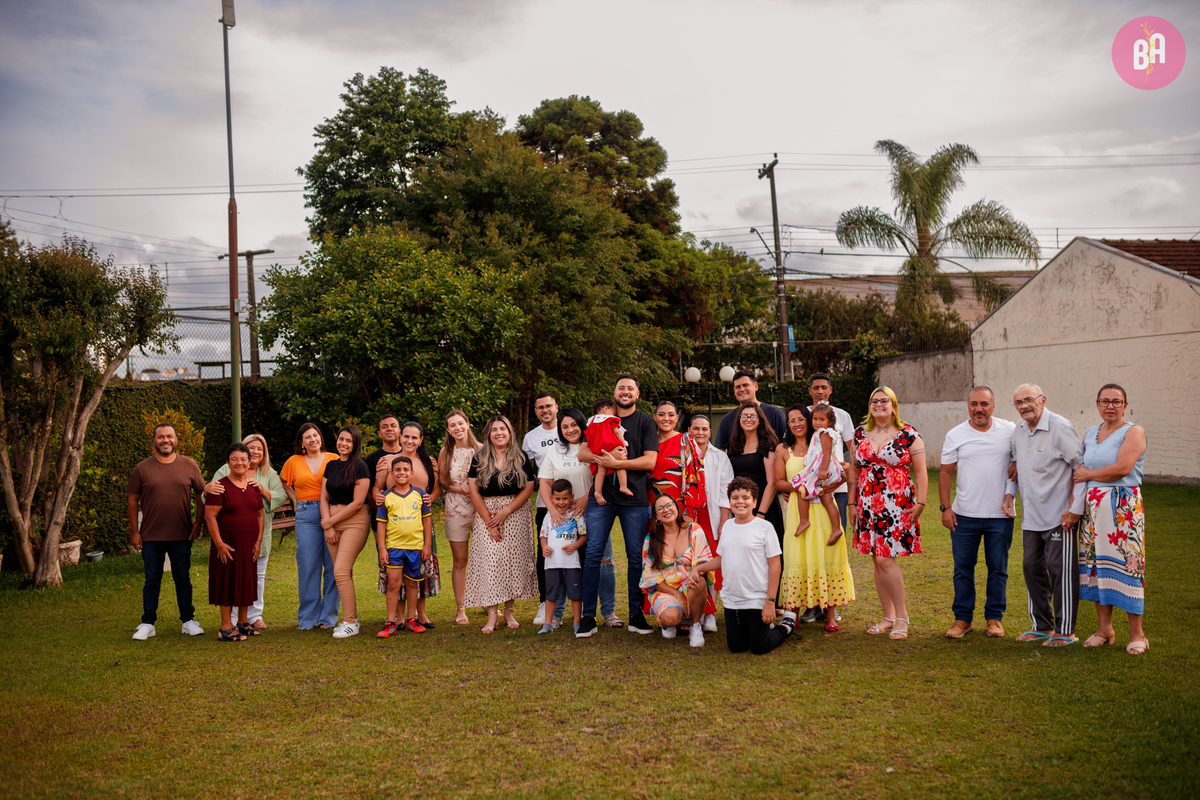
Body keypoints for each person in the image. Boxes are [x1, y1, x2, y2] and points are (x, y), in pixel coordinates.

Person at [576, 373, 659, 638]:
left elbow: (649, 462)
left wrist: (617, 464)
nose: (625, 392)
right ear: (614, 392)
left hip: (634, 500)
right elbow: (582, 452)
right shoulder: (600, 419)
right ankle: (588, 617)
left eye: (630, 388)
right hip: (601, 499)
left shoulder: (645, 421)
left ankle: (636, 615)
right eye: (621, 388)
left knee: (635, 556)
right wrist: (606, 459)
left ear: (637, 394)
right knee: (593, 555)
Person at [1004, 384, 1086, 648]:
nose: (1024, 405)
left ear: (1043, 400)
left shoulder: (1060, 428)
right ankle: (1042, 626)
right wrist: (1009, 494)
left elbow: (1081, 468)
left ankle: (1066, 631)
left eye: (1029, 399)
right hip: (1031, 518)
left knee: (1060, 571)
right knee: (1031, 568)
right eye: (1018, 402)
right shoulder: (1018, 430)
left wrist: (1075, 508)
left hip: (1059, 516)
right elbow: (1016, 467)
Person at [1074, 383, 1149, 655]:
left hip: (1122, 508)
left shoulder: (1134, 431)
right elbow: (1076, 465)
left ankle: (1137, 634)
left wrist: (1087, 475)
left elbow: (1123, 468)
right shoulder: (1090, 433)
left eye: (1116, 401)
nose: (1110, 406)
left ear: (1125, 405)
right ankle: (1104, 629)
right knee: (1096, 567)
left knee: (1128, 566)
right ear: (1097, 404)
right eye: (1105, 401)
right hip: (1093, 509)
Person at [848, 387, 927, 641]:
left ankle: (902, 616)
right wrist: (851, 504)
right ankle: (888, 616)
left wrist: (922, 502)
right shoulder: (859, 433)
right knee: (876, 559)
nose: (878, 404)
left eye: (884, 401)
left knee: (885, 560)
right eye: (874, 401)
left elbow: (922, 472)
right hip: (867, 502)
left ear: (893, 404)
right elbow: (854, 470)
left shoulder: (909, 433)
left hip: (896, 504)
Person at [938, 387, 1017, 639]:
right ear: (968, 406)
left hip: (1000, 516)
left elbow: (1019, 464)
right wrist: (946, 507)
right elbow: (946, 472)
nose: (978, 408)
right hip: (964, 515)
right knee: (963, 569)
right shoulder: (955, 434)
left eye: (984, 403)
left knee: (998, 569)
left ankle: (994, 619)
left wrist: (1011, 491)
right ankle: (962, 620)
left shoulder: (1010, 431)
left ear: (993, 405)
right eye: (973, 404)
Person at [689, 477, 797, 654]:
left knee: (759, 647)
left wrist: (770, 601)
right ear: (729, 501)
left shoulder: (765, 528)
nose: (740, 502)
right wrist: (698, 568)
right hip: (733, 599)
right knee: (736, 647)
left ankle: (785, 627)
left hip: (757, 599)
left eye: (745, 498)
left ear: (754, 502)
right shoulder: (728, 526)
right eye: (735, 497)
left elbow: (775, 566)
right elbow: (721, 558)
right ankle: (757, 629)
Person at [538, 408, 619, 629]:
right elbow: (544, 482)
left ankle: (609, 613)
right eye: (564, 426)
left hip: (595, 511)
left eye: (574, 424)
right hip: (563, 518)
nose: (570, 429)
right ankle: (557, 616)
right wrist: (552, 511)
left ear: (582, 425)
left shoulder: (594, 444)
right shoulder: (554, 451)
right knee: (561, 563)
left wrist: (587, 497)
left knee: (603, 561)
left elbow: (605, 472)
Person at [776, 404, 855, 632]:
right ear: (788, 425)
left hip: (822, 509)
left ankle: (830, 615)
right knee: (796, 558)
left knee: (826, 557)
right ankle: (795, 614)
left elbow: (841, 474)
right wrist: (800, 487)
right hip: (798, 513)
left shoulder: (821, 442)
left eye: (801, 419)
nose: (797, 423)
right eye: (792, 420)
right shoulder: (783, 449)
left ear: (808, 420)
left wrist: (820, 490)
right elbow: (778, 481)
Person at [127, 422, 207, 641]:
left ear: (176, 438)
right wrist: (135, 531)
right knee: (152, 580)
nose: (165, 440)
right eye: (161, 437)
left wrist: (198, 522)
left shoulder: (190, 465)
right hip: (151, 536)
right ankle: (147, 623)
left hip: (182, 534)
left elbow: (202, 495)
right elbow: (132, 500)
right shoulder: (142, 468)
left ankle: (188, 621)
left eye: (169, 436)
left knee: (183, 578)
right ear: (154, 440)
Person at [464, 415, 539, 633]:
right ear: (488, 434)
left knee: (513, 562)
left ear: (510, 432)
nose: (499, 433)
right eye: (495, 429)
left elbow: (528, 486)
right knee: (491, 562)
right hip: (486, 513)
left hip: (515, 513)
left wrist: (506, 512)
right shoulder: (479, 458)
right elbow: (473, 490)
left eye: (503, 429)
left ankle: (508, 611)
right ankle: (491, 616)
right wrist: (490, 521)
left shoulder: (520, 455)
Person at [647, 400, 717, 632]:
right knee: (659, 555)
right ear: (654, 417)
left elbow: (696, 476)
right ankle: (667, 608)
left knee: (686, 556)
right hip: (651, 505)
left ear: (677, 418)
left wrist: (687, 511)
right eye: (661, 414)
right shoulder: (647, 440)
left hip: (678, 507)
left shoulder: (685, 441)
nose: (666, 418)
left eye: (671, 414)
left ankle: (692, 613)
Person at [204, 433, 284, 631]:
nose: (255, 451)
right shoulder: (225, 473)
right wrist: (205, 488)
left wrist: (262, 489)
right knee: (229, 577)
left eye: (260, 448)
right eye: (252, 447)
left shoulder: (267, 475)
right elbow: (211, 504)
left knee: (252, 577)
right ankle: (228, 622)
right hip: (228, 537)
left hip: (255, 536)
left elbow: (275, 501)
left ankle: (250, 618)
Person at [373, 422, 441, 628]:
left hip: (420, 524)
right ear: (401, 437)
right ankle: (398, 616)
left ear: (421, 440)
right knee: (396, 574)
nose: (410, 441)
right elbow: (376, 489)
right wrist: (378, 498)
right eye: (407, 437)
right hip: (394, 525)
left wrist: (430, 499)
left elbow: (436, 489)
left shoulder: (428, 462)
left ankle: (420, 613)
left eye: (415, 438)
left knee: (419, 570)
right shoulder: (387, 461)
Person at [280, 423, 339, 630]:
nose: (313, 439)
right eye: (308, 437)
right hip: (306, 515)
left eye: (315, 435)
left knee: (333, 565)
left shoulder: (334, 458)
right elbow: (284, 482)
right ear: (301, 443)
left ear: (321, 438)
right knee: (308, 565)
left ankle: (328, 618)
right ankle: (307, 619)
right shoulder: (293, 461)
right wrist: (295, 500)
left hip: (332, 512)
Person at [640, 495, 713, 648]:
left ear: (676, 507)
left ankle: (694, 625)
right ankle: (672, 621)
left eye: (669, 505)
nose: (666, 510)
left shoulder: (694, 530)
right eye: (660, 508)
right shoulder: (650, 539)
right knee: (670, 618)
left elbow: (704, 561)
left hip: (691, 585)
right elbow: (650, 577)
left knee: (699, 581)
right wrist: (678, 595)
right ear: (656, 516)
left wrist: (695, 573)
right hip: (665, 590)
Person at [321, 425, 372, 639]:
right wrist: (328, 525)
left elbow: (358, 502)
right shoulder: (331, 465)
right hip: (332, 521)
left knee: (340, 571)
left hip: (354, 522)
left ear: (355, 444)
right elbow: (323, 497)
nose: (344, 443)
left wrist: (329, 521)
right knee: (343, 572)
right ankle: (353, 618)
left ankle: (350, 622)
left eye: (349, 441)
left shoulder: (361, 467)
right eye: (341, 439)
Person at [375, 456, 433, 636]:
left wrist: (427, 545)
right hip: (394, 548)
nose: (402, 473)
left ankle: (411, 620)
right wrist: (382, 549)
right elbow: (381, 524)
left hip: (415, 547)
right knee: (393, 583)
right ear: (391, 474)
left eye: (405, 470)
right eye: (397, 470)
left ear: (412, 473)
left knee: (412, 583)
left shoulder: (420, 495)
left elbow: (427, 520)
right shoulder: (386, 496)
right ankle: (390, 622)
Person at [687, 414, 734, 631]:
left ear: (710, 432)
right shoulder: (683, 454)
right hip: (689, 516)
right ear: (689, 430)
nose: (700, 433)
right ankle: (690, 610)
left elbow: (727, 491)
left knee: (712, 566)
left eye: (704, 429)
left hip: (712, 517)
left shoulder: (720, 457)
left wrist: (724, 521)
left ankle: (710, 613)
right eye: (696, 429)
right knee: (691, 563)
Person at [437, 409, 482, 625]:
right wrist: (461, 489)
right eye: (452, 425)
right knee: (460, 560)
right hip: (456, 510)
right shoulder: (446, 452)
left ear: (467, 423)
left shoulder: (482, 450)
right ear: (448, 429)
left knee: (484, 557)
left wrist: (474, 487)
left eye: (460, 423)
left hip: (482, 510)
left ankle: (486, 601)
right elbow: (443, 481)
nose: (457, 428)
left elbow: (490, 477)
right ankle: (460, 607)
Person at [523, 392, 561, 625]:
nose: (545, 410)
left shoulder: (571, 427)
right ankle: (544, 603)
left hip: (577, 503)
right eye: (540, 408)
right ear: (535, 411)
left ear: (557, 407)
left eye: (549, 406)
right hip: (545, 504)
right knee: (545, 553)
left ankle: (584, 605)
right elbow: (528, 473)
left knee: (580, 552)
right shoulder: (530, 437)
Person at [726, 401, 784, 545]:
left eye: (753, 416)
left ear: (759, 420)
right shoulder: (733, 446)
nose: (748, 419)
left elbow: (772, 483)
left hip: (764, 505)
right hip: (740, 505)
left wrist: (760, 514)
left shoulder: (768, 445)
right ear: (739, 420)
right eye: (744, 416)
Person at [788, 403, 846, 542]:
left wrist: (824, 470)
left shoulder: (825, 433)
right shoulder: (819, 433)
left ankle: (804, 520)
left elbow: (827, 453)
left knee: (801, 488)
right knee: (827, 499)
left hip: (821, 469)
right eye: (815, 419)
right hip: (821, 468)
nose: (818, 423)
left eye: (822, 420)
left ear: (830, 421)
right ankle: (836, 529)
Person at [538, 479, 587, 635]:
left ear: (571, 497)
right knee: (551, 592)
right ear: (551, 498)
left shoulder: (576, 515)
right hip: (552, 563)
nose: (561, 502)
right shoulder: (548, 516)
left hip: (571, 562)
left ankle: (577, 623)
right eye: (557, 499)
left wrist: (574, 546)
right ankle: (547, 623)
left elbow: (584, 536)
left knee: (575, 593)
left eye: (565, 498)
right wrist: (544, 547)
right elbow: (543, 535)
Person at [807, 373, 855, 530]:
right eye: (816, 388)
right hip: (808, 481)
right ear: (809, 391)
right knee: (813, 531)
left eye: (824, 387)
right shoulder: (802, 415)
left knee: (837, 529)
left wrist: (852, 467)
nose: (820, 391)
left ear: (831, 390)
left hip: (836, 484)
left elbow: (853, 447)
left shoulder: (842, 415)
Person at [713, 370, 788, 449]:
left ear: (755, 386)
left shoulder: (775, 413)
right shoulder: (727, 420)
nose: (742, 389)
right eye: (738, 387)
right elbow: (720, 450)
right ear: (734, 391)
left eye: (745, 385)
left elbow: (787, 445)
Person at [585, 397, 633, 501]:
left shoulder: (591, 421)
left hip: (598, 450)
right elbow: (617, 432)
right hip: (611, 446)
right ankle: (623, 485)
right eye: (613, 412)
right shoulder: (609, 419)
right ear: (605, 409)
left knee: (601, 472)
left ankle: (597, 492)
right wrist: (623, 445)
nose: (614, 415)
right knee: (620, 464)